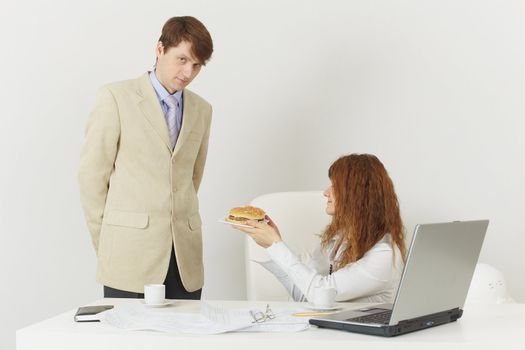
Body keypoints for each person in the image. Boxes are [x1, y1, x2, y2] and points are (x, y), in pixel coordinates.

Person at [78, 16, 213, 300]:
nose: (188, 72)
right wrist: (107, 244)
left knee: (183, 343)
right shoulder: (115, 97)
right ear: (159, 49)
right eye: (182, 59)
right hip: (129, 257)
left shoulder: (202, 109)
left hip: (184, 262)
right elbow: (92, 178)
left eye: (197, 65)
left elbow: (191, 178)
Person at [234, 154, 407, 303]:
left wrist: (276, 245)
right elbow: (304, 296)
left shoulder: (385, 255)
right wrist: (271, 244)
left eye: (335, 186)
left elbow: (321, 293)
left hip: (361, 340)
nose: (325, 192)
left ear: (357, 195)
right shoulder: (337, 239)